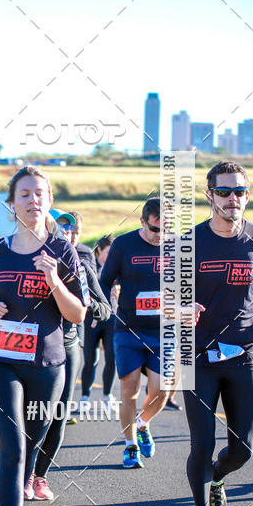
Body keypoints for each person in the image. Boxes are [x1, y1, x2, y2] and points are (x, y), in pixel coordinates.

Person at [0, 166, 87, 506]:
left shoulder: (63, 252)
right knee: (14, 448)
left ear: (49, 201)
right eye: (24, 194)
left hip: (48, 364)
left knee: (32, 448)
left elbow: (78, 313)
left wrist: (55, 279)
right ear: (12, 204)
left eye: (39, 193)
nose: (32, 200)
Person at [185, 162, 253, 506]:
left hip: (243, 356)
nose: (232, 198)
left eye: (239, 192)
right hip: (195, 357)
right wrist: (178, 310)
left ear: (247, 195)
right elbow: (164, 299)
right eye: (224, 192)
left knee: (244, 448)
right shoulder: (189, 243)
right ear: (209, 196)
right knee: (201, 442)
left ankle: (217, 477)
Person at [28, 211, 110, 500]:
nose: (68, 235)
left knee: (57, 416)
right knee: (32, 414)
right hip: (33, 348)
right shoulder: (32, 261)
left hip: (68, 347)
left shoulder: (84, 268)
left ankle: (40, 477)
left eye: (73, 231)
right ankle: (24, 473)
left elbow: (105, 308)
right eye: (62, 229)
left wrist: (85, 309)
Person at [99, 198, 171, 469]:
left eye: (166, 229)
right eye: (155, 229)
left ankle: (143, 423)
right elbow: (104, 282)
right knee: (129, 390)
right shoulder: (124, 245)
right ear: (143, 222)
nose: (160, 235)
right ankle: (130, 446)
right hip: (128, 329)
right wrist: (104, 310)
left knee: (161, 390)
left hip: (164, 330)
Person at [79, 235, 117, 414]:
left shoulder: (118, 268)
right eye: (107, 252)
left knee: (112, 358)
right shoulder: (90, 267)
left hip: (112, 319)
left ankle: (107, 395)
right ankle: (85, 396)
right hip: (91, 319)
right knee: (91, 360)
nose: (109, 257)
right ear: (99, 250)